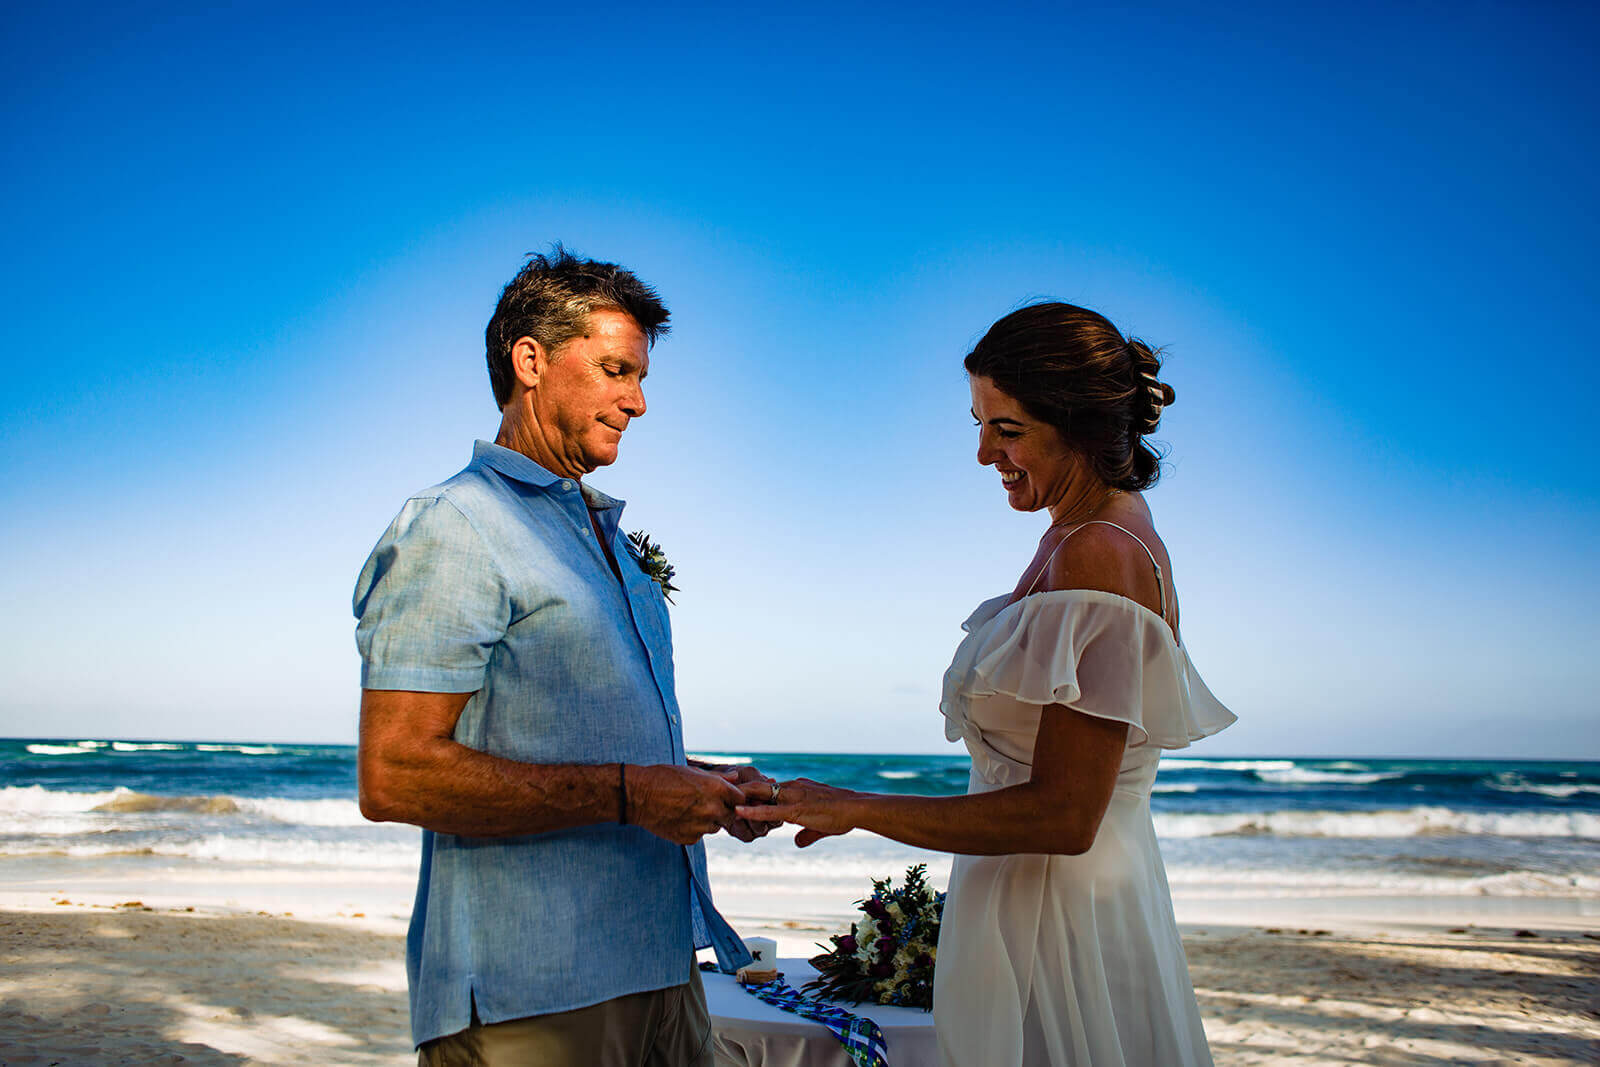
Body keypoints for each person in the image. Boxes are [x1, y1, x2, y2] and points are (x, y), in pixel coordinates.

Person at [739, 302, 1236, 1066]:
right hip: (1035, 904)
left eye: (1007, 429)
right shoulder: (1080, 532)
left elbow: (1066, 815)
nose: (982, 453)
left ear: (1079, 426)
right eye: (978, 425)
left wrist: (854, 807)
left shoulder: (1100, 552)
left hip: (1060, 926)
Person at [354, 247, 772, 1066]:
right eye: (616, 370)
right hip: (536, 994)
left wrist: (699, 782)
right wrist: (632, 792)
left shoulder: (606, 540)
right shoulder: (456, 524)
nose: (638, 401)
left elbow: (580, 738)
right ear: (531, 361)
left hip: (663, 970)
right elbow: (394, 772)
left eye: (640, 377)